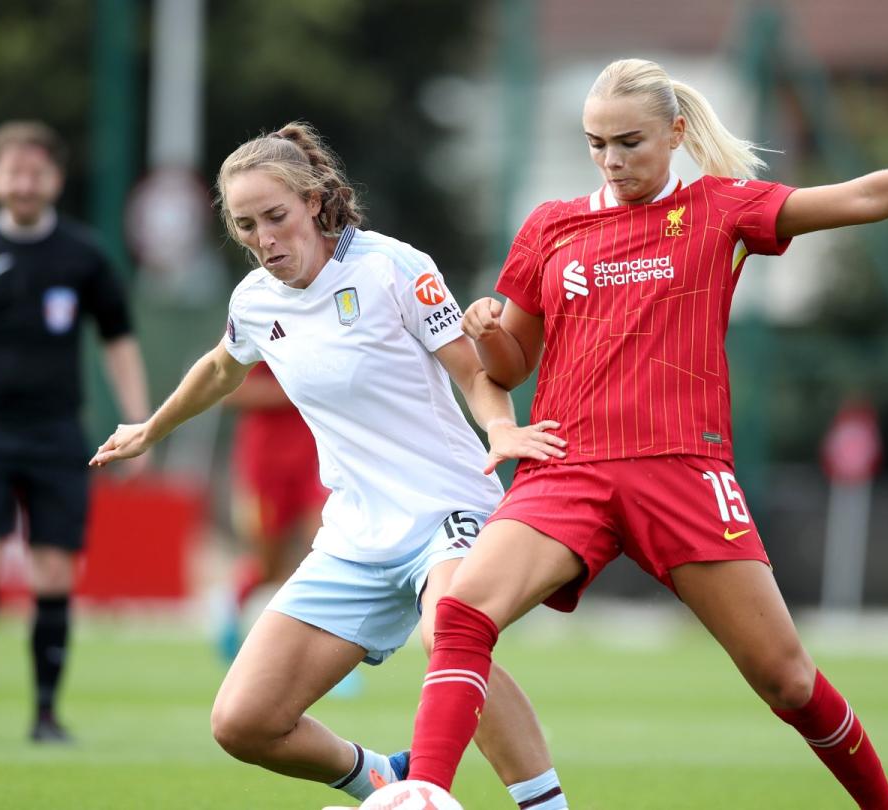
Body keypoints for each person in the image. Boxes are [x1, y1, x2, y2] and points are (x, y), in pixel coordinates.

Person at [402, 58, 888, 810]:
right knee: (460, 615)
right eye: (596, 144)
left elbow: (863, 195)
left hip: (683, 473)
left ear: (676, 132)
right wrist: (488, 330)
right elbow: (512, 360)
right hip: (568, 470)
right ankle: (422, 794)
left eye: (629, 141)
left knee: (785, 678)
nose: (612, 161)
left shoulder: (722, 209)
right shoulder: (552, 226)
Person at [88, 122, 570, 809]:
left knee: (451, 630)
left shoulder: (393, 268)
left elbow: (473, 373)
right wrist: (151, 428)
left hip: (448, 510)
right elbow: (222, 367)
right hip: (356, 535)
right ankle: (380, 777)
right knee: (243, 722)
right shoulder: (255, 301)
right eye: (247, 225)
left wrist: (501, 429)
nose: (264, 239)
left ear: (315, 202)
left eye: (276, 217)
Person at [0, 120, 151, 743]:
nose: (24, 181)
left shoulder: (84, 255)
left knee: (53, 575)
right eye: (13, 170)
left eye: (36, 170)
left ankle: (44, 713)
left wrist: (141, 424)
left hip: (57, 435)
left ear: (55, 179)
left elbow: (119, 341)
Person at [215, 361, 327, 662]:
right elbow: (226, 389)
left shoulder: (323, 324)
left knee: (325, 550)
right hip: (264, 468)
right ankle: (230, 607)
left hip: (312, 464)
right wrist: (292, 390)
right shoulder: (260, 322)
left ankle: (327, 653)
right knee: (269, 566)